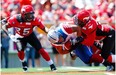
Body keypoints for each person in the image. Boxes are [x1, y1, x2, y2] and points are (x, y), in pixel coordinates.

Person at [1, 5, 56, 72]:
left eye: (32, 14)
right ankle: (24, 64)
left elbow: (44, 28)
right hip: (20, 37)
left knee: (41, 49)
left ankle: (52, 65)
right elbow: (4, 26)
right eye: (29, 14)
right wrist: (10, 35)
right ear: (23, 14)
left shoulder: (34, 20)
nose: (31, 16)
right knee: (21, 52)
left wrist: (49, 31)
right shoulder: (15, 19)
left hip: (30, 35)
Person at [47, 23, 114, 71]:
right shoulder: (56, 44)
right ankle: (75, 52)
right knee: (87, 60)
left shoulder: (64, 29)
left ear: (58, 33)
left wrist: (78, 38)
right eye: (58, 41)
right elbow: (62, 52)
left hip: (82, 34)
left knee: (99, 50)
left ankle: (108, 64)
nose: (60, 40)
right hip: (74, 44)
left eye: (60, 37)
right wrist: (72, 48)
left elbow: (78, 28)